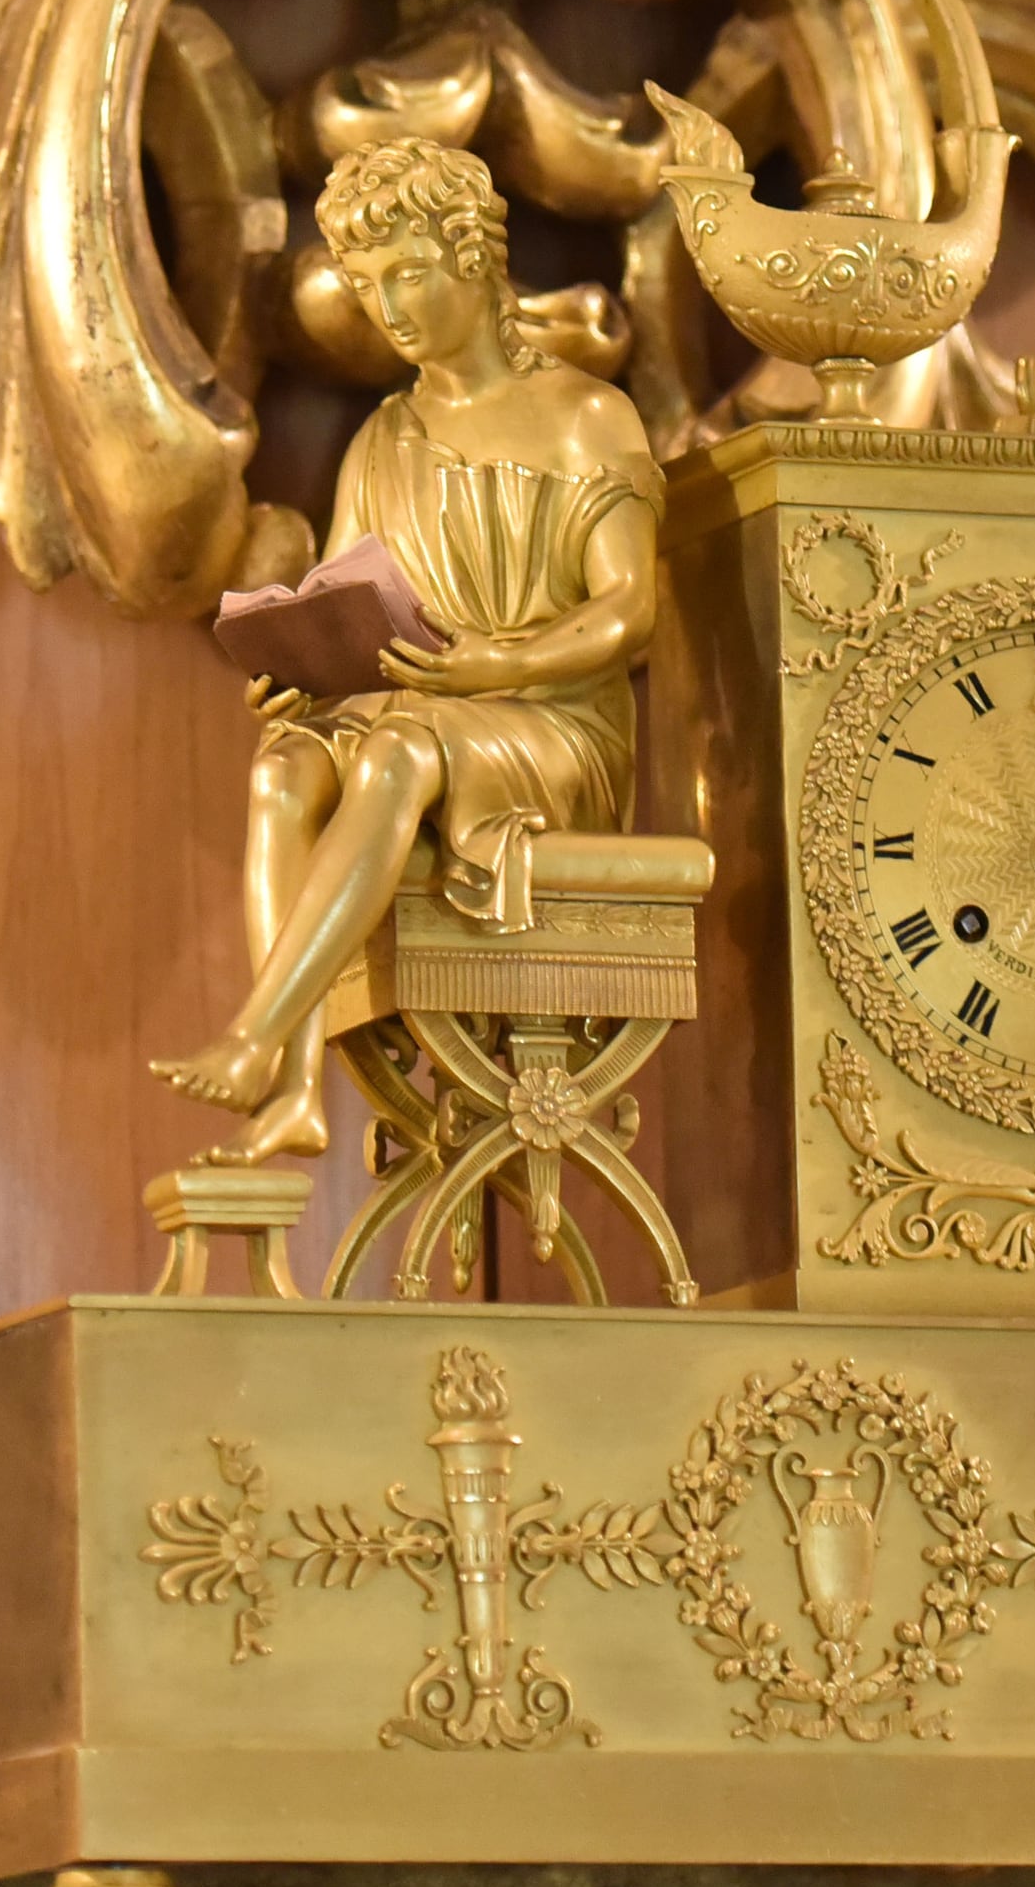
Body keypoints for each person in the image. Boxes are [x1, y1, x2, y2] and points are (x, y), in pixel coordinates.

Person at [152, 138, 665, 1164]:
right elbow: (347, 599)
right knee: (286, 768)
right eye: (369, 284)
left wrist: (498, 665)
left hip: (551, 721)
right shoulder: (385, 435)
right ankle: (294, 1089)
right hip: (422, 699)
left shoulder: (584, 414)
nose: (388, 306)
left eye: (410, 274)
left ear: (475, 260)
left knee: (397, 753)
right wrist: (299, 669)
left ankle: (258, 1033)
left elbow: (629, 606)